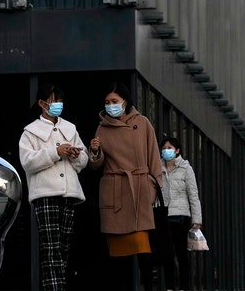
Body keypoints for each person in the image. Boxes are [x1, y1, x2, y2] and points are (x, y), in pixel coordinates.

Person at [87, 82, 163, 291]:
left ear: (125, 101)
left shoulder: (142, 123)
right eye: (107, 102)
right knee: (118, 256)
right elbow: (95, 164)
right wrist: (94, 151)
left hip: (139, 190)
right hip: (116, 191)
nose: (110, 105)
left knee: (143, 250)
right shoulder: (103, 127)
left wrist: (153, 184)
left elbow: (153, 156)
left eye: (114, 101)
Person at [18, 84, 88, 290]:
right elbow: (28, 162)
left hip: (69, 193)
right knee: (51, 247)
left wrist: (76, 155)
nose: (58, 105)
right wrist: (56, 151)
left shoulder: (70, 128)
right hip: (45, 193)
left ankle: (58, 285)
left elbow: (82, 160)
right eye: (53, 100)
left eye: (60, 100)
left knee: (64, 246)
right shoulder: (30, 132)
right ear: (42, 103)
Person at [160, 137, 203, 291]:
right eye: (164, 148)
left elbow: (193, 195)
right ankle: (170, 286)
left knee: (181, 254)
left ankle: (185, 286)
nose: (166, 150)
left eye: (169, 147)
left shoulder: (186, 168)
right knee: (167, 254)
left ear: (177, 150)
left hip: (181, 217)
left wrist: (196, 219)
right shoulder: (158, 168)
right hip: (164, 217)